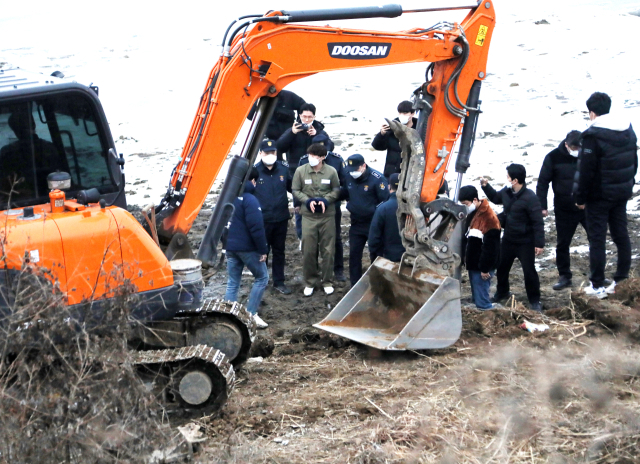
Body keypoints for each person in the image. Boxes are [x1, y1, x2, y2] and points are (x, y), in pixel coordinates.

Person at [574, 92, 638, 299]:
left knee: (597, 240)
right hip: (621, 191)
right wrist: (628, 184)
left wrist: (580, 197)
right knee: (621, 234)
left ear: (592, 112)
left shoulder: (592, 136)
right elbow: (633, 160)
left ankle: (597, 285)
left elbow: (585, 171)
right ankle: (621, 279)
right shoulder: (627, 129)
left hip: (599, 196)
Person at [481, 164, 545, 311]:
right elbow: (496, 198)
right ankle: (502, 292)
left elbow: (538, 222)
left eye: (508, 176)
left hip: (525, 242)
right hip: (508, 239)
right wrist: (486, 186)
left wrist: (539, 244)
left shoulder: (530, 198)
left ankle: (535, 300)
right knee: (502, 268)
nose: (507, 178)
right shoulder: (507, 192)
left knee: (529, 272)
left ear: (515, 180)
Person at [536, 130, 587, 290]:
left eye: (579, 147)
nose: (576, 150)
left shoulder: (588, 154)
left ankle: (597, 276)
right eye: (573, 147)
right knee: (563, 243)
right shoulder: (553, 157)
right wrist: (542, 206)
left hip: (587, 206)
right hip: (564, 208)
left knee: (597, 240)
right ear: (566, 144)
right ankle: (564, 276)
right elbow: (543, 182)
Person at [276, 103, 330, 242]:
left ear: (314, 117)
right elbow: (280, 147)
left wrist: (316, 135)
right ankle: (302, 238)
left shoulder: (319, 129)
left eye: (309, 117)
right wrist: (291, 133)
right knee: (299, 205)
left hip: (317, 172)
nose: (306, 120)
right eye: (304, 116)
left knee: (318, 203)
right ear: (299, 116)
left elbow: (330, 147)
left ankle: (318, 235)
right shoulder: (293, 129)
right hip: (296, 173)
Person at [292, 143, 341, 296]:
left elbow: (336, 189)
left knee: (328, 250)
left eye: (315, 156)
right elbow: (295, 190)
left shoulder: (331, 171)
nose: (311, 159)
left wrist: (326, 200)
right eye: (310, 156)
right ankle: (310, 281)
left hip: (327, 216)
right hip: (308, 216)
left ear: (322, 157)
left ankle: (327, 281)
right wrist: (307, 201)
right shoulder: (301, 171)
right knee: (308, 249)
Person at [224, 167, 269, 328]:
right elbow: (256, 227)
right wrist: (262, 249)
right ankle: (251, 314)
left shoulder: (228, 197)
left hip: (230, 247)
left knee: (233, 281)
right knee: (262, 277)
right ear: (253, 181)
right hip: (247, 248)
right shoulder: (250, 200)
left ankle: (227, 316)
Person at [298, 133, 347, 281]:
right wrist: (298, 205)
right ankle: (313, 271)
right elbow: (297, 184)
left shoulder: (337, 161)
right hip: (309, 207)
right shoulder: (303, 161)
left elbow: (343, 184)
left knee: (335, 239)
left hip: (331, 207)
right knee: (309, 240)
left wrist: (334, 200)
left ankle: (338, 269)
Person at [342, 154, 389, 286]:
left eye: (355, 170)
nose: (352, 173)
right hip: (356, 223)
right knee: (354, 254)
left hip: (373, 224)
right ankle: (354, 283)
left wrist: (374, 212)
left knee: (376, 253)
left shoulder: (377, 179)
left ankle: (378, 282)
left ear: (363, 166)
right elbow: (345, 192)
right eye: (350, 170)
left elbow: (384, 201)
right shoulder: (348, 176)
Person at [253, 139, 293, 295]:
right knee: (262, 252)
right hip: (263, 219)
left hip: (281, 218)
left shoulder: (283, 169)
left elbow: (292, 188)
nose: (270, 155)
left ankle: (279, 281)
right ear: (261, 153)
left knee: (279, 251)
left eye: (273, 152)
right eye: (267, 152)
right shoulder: (255, 171)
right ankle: (261, 280)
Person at [458, 185, 501, 310]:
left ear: (475, 200)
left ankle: (488, 315)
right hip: (474, 264)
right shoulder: (474, 213)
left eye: (466, 204)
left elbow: (491, 248)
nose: (465, 207)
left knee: (482, 300)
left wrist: (485, 269)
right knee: (477, 294)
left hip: (481, 267)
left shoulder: (489, 219)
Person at [247, 90, 306, 159]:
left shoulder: (288, 96)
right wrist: (257, 103)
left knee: (293, 159)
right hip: (272, 137)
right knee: (274, 161)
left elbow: (303, 106)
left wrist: (299, 122)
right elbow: (250, 116)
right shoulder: (262, 98)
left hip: (289, 135)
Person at [371, 100, 418, 178]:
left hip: (410, 174)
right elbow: (377, 146)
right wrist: (382, 134)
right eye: (400, 113)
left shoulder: (419, 129)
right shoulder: (392, 127)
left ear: (412, 114)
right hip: (391, 173)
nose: (402, 115)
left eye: (405, 113)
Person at [368, 173, 405, 263]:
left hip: (388, 259)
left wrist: (374, 258)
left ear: (389, 187)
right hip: (409, 259)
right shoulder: (415, 209)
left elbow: (374, 239)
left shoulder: (383, 208)